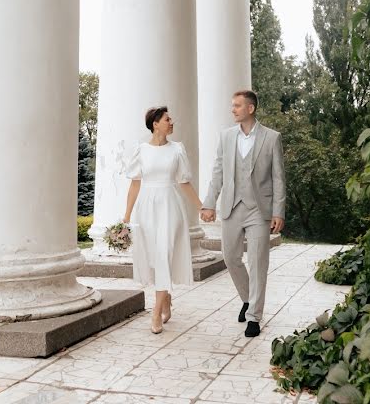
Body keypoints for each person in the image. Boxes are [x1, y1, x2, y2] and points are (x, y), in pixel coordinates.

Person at [201, 90, 286, 338]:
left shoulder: (272, 138)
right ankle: (248, 299)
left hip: (259, 210)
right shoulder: (226, 137)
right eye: (232, 105)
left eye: (237, 105)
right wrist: (209, 203)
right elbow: (217, 172)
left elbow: (279, 178)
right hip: (231, 206)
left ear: (250, 108)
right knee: (230, 257)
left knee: (258, 262)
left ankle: (254, 317)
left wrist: (278, 211)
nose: (233, 109)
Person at [122, 106, 205, 334]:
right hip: (146, 207)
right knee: (152, 257)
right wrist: (126, 217)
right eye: (167, 119)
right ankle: (166, 296)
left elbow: (184, 182)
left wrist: (201, 207)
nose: (172, 122)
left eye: (171, 119)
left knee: (164, 254)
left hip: (170, 206)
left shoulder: (177, 149)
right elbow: (135, 184)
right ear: (155, 124)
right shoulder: (141, 151)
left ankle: (156, 311)